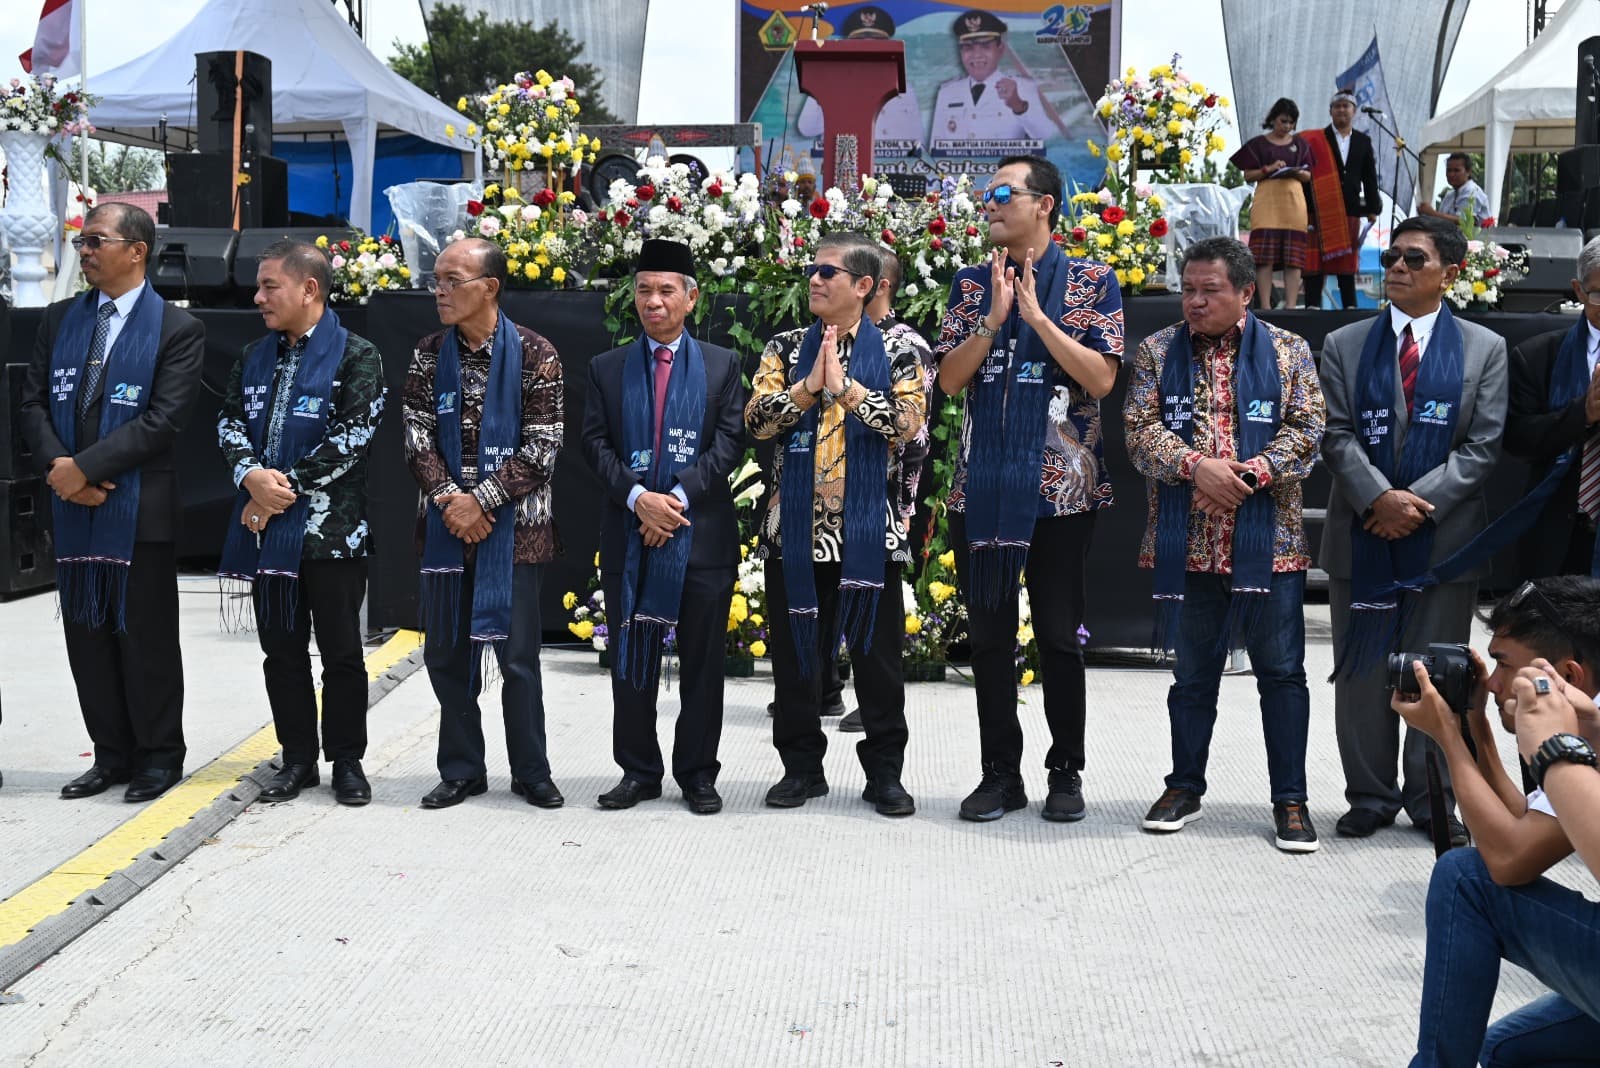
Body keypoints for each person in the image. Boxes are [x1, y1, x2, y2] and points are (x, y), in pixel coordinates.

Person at [935, 155, 1123, 822]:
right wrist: (992, 319)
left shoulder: (1094, 282)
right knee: (988, 635)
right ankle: (999, 774)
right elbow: (949, 382)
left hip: (1059, 496)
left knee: (1056, 635)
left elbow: (1101, 382)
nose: (989, 205)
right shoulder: (968, 283)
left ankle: (1064, 772)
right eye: (986, 195)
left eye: (1002, 194)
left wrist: (1040, 320)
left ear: (1044, 204)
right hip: (980, 488)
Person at [1123, 237, 1326, 851]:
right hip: (1189, 544)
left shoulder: (1289, 351)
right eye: (1187, 289)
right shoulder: (1157, 352)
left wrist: (1250, 474)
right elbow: (1138, 432)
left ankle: (1290, 800)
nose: (1194, 301)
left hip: (1273, 544)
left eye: (1210, 291)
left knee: (1283, 674)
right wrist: (1196, 469)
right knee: (1192, 677)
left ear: (1246, 292)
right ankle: (1184, 785)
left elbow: (1309, 430)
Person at [1319, 214, 1508, 845]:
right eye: (1392, 257)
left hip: (1445, 543)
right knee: (1364, 671)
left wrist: (1411, 504)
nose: (1396, 268)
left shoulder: (1485, 348)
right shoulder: (1346, 344)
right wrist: (1378, 497)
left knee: (1436, 674)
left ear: (1450, 274)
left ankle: (1433, 799)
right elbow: (1337, 435)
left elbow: (1482, 448)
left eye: (1413, 260)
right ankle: (1368, 795)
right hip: (1361, 533)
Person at [19, 202, 203, 803]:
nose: (85, 251)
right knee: (87, 637)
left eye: (96, 240)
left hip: (137, 508)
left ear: (137, 250)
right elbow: (32, 404)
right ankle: (110, 753)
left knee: (143, 638)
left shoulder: (177, 329)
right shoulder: (60, 319)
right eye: (81, 241)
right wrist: (60, 470)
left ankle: (158, 754)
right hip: (72, 506)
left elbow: (164, 419)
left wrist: (85, 469)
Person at [745, 231, 926, 816]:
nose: (815, 280)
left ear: (863, 285)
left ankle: (885, 776)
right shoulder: (783, 346)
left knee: (878, 665)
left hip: (868, 532)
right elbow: (757, 420)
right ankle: (801, 770)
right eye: (812, 270)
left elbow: (905, 424)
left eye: (828, 272)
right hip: (794, 530)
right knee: (798, 662)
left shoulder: (897, 350)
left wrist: (844, 389)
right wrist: (805, 389)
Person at [1392, 576, 1600, 1065]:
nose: (1492, 682)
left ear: (1569, 673)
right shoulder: (1591, 717)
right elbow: (1525, 828)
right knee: (1509, 1049)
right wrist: (1474, 730)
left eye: (1504, 665)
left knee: (1464, 878)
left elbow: (1506, 861)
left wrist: (1447, 740)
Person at [216, 239, 387, 805]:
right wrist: (249, 477)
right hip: (269, 539)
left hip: (332, 537)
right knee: (281, 654)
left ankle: (347, 761)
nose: (258, 297)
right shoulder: (254, 356)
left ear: (308, 289)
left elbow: (353, 438)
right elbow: (228, 421)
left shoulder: (356, 354)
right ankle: (296, 759)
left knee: (342, 655)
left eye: (270, 286)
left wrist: (272, 491)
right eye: (259, 286)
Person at [580, 240, 747, 814]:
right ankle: (638, 771)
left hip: (701, 535)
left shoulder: (723, 365)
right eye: (645, 289)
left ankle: (698, 773)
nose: (654, 301)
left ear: (691, 298)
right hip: (629, 532)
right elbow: (593, 444)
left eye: (666, 290)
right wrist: (637, 499)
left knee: (703, 662)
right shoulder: (608, 368)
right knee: (632, 657)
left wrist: (671, 500)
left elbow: (729, 443)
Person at [403, 237, 565, 810]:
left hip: (517, 531)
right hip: (447, 528)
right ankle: (462, 769)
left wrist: (484, 501)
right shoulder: (429, 352)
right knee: (447, 656)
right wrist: (453, 501)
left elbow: (544, 446)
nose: (439, 291)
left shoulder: (536, 351)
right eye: (437, 280)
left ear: (489, 287)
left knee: (517, 658)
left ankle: (531, 771)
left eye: (452, 280)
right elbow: (416, 436)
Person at [829, 245, 937, 737]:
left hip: (883, 498)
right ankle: (826, 688)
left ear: (876, 285)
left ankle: (873, 705)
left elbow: (913, 435)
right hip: (826, 497)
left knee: (874, 609)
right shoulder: (821, 338)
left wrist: (906, 503)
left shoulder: (903, 344)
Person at [1504, 236, 1600, 580]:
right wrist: (1583, 414)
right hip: (1558, 534)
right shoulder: (1537, 356)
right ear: (1579, 290)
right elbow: (1517, 438)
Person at [796, 5, 924, 150]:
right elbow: (806, 129)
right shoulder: (832, 84)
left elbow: (918, 145)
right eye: (861, 43)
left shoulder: (904, 89)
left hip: (891, 168)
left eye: (876, 44)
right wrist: (823, 79)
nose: (868, 49)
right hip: (844, 167)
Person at [930, 10, 1057, 149]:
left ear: (1000, 49)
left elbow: (1049, 139)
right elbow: (936, 149)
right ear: (961, 52)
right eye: (968, 47)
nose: (976, 55)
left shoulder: (1023, 87)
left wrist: (1018, 105)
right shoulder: (947, 92)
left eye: (985, 46)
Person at [1231, 98, 1313, 310]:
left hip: (1293, 203)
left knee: (1293, 258)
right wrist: (1268, 169)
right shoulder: (1259, 144)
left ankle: (1292, 306)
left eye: (1291, 123)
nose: (1287, 126)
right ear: (1273, 119)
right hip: (1267, 202)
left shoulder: (1300, 144)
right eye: (1283, 121)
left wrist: (1296, 171)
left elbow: (1308, 175)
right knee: (1264, 258)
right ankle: (1266, 306)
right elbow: (1248, 174)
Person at [1303, 89, 1380, 311]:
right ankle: (1312, 305)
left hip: (1350, 208)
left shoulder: (1363, 141)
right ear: (1330, 111)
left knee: (1346, 260)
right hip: (1319, 207)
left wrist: (1372, 207)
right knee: (1316, 260)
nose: (1341, 110)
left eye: (1346, 106)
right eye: (1337, 106)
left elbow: (1369, 177)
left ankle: (1349, 307)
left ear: (1354, 111)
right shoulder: (1316, 140)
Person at [1420, 152, 1492, 228]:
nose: (1451, 174)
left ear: (1468, 172)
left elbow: (1465, 221)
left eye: (1456, 170)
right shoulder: (1449, 195)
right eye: (1449, 170)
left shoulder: (1472, 191)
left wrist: (1432, 213)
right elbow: (1440, 221)